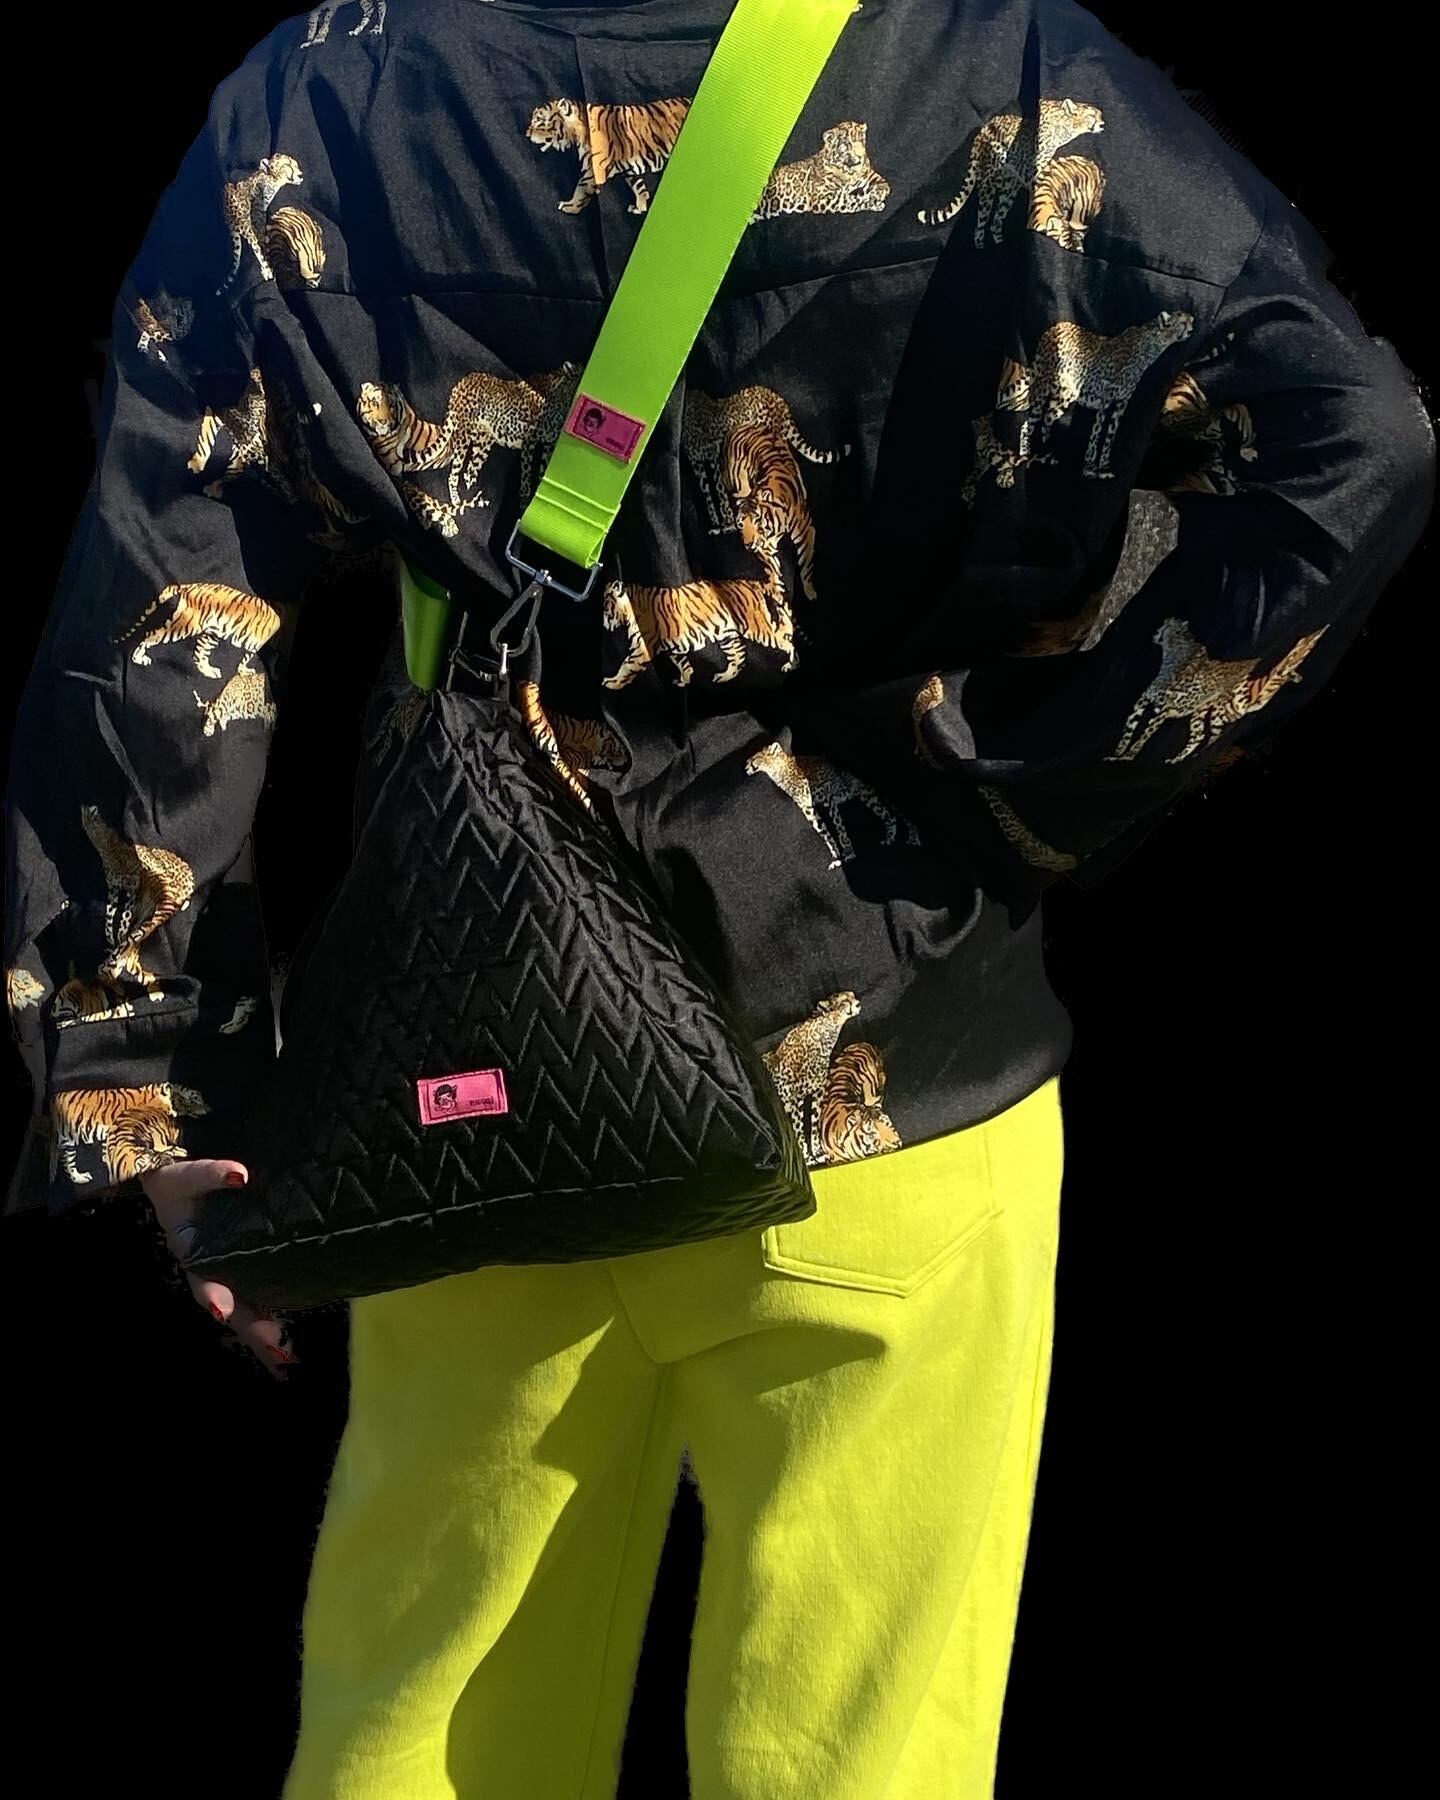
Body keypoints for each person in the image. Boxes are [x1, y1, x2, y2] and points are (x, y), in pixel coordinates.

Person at [3, 1, 1432, 1795]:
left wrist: (150, 1078)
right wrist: (1015, 777)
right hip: (898, 1054)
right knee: (857, 1759)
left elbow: (161, 609)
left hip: (480, 1055)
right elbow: (1351, 440)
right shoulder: (998, 59)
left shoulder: (340, 81)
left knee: (425, 1739)